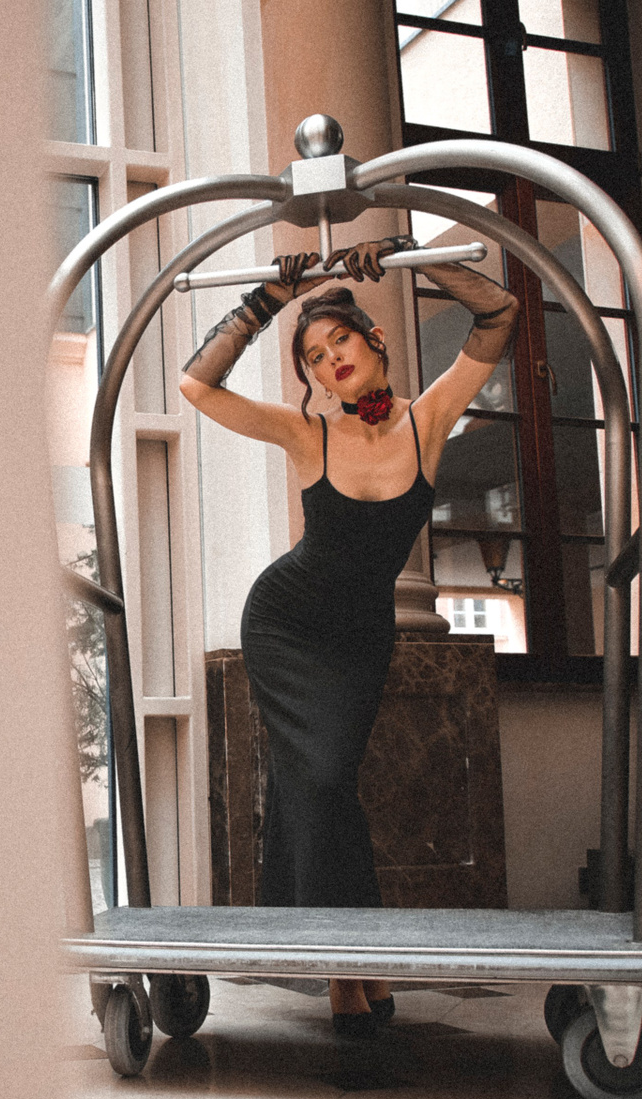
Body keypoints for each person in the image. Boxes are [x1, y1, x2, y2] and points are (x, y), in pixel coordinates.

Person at [177, 234, 518, 1036]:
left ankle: (355, 957)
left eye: (340, 342)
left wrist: (409, 257)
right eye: (314, 357)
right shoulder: (311, 435)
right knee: (323, 780)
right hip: (285, 625)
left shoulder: (429, 421)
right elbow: (197, 385)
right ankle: (344, 970)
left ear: (377, 340)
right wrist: (268, 301)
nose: (331, 360)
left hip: (361, 639)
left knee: (328, 788)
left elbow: (498, 314)